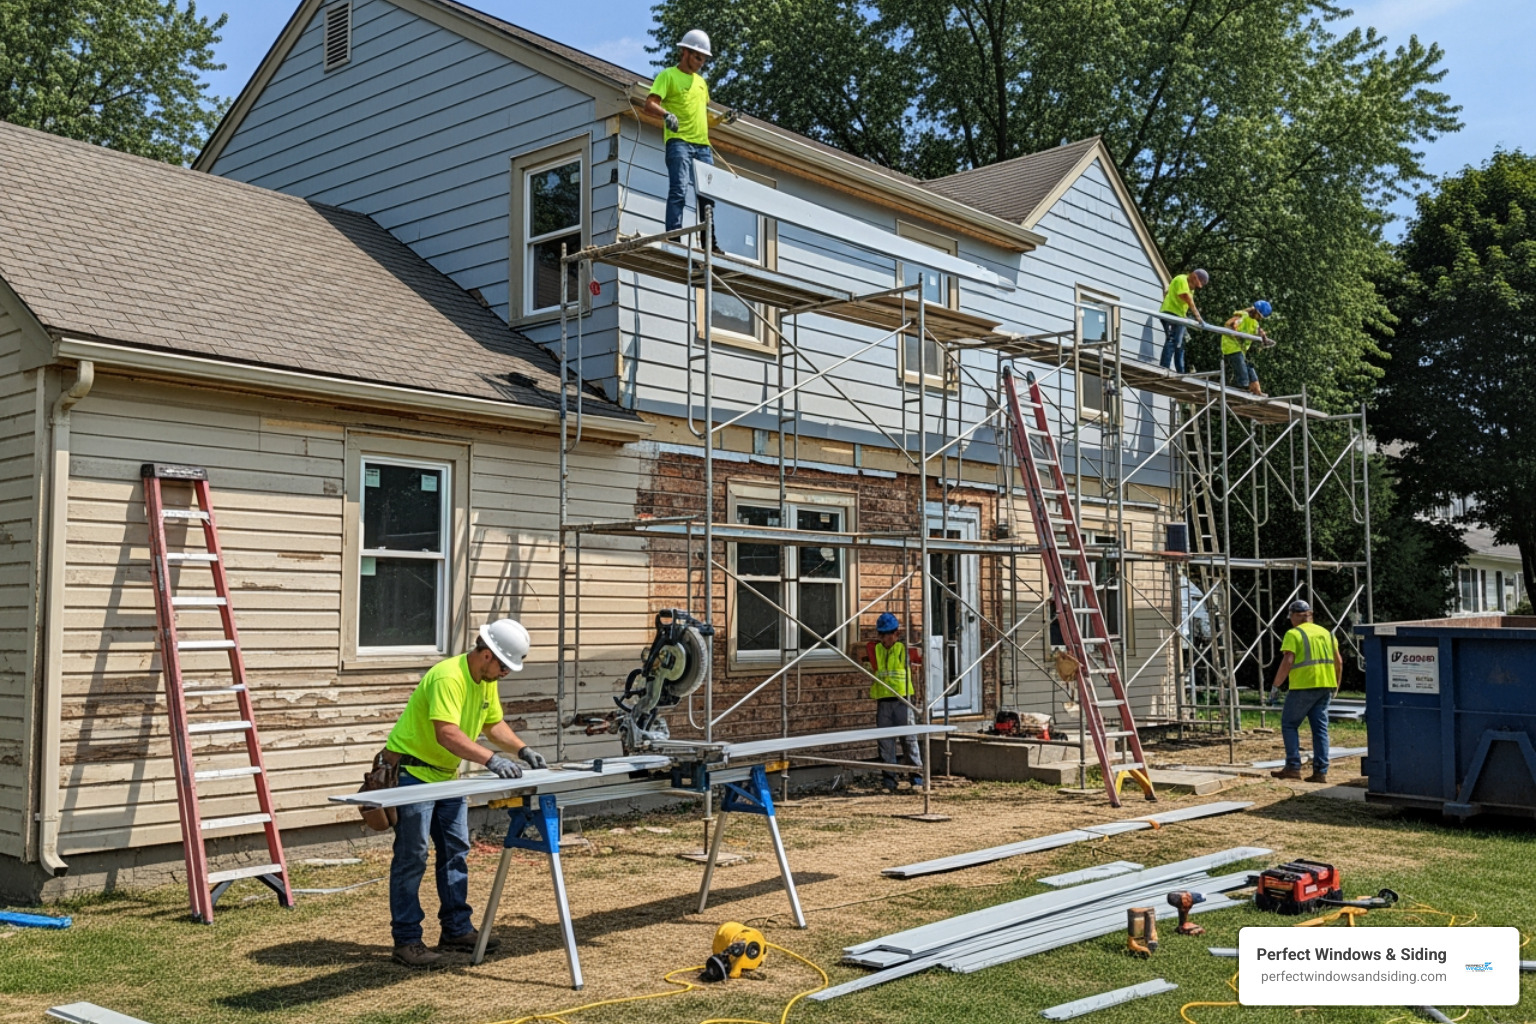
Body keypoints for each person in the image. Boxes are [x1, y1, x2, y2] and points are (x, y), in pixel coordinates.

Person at [384, 619, 547, 968]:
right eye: (503, 665)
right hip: (414, 772)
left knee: (455, 850)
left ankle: (456, 929)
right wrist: (491, 759)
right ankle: (407, 941)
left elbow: (492, 723)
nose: (505, 673)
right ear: (486, 655)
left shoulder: (485, 679)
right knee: (412, 856)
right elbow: (447, 733)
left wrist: (521, 750)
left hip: (446, 774)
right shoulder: (449, 677)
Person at [643, 29, 724, 253]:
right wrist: (666, 115)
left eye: (704, 59)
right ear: (685, 52)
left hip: (702, 145)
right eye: (698, 57)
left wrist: (721, 119)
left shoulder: (701, 83)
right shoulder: (667, 76)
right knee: (679, 189)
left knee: (707, 197)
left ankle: (709, 243)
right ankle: (674, 238)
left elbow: (704, 115)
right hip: (679, 141)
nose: (701, 63)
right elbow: (649, 104)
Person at [1268, 600, 1343, 783]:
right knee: (1320, 730)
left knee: (1289, 724)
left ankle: (1293, 767)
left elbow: (1288, 661)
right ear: (1310, 616)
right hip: (1325, 686)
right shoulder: (1327, 633)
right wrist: (1336, 685)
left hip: (1303, 686)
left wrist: (1276, 686)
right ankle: (1320, 772)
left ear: (1295, 616)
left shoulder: (1293, 634)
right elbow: (1338, 661)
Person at [863, 612, 923, 791]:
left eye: (887, 635)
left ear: (896, 634)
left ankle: (916, 778)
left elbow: (920, 657)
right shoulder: (876, 649)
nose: (884, 639)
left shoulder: (904, 649)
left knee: (909, 740)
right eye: (881, 635)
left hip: (903, 700)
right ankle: (889, 781)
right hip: (883, 700)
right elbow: (862, 650)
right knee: (885, 742)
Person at [1158, 268, 1209, 373]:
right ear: (1194, 277)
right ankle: (1164, 368)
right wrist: (1199, 318)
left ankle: (1180, 371)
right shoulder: (1181, 280)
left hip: (1180, 317)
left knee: (1180, 344)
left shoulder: (1191, 289)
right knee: (1171, 339)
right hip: (1170, 314)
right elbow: (1187, 299)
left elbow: (1167, 292)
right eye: (1196, 284)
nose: (1195, 287)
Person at [1222, 300, 1273, 396]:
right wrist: (1236, 330)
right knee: (1241, 367)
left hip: (1241, 349)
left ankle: (1256, 390)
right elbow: (1229, 323)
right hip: (1231, 346)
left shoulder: (1254, 322)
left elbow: (1258, 330)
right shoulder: (1243, 315)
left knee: (1250, 367)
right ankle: (1242, 387)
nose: (1260, 319)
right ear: (1256, 311)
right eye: (1259, 316)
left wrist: (1263, 337)